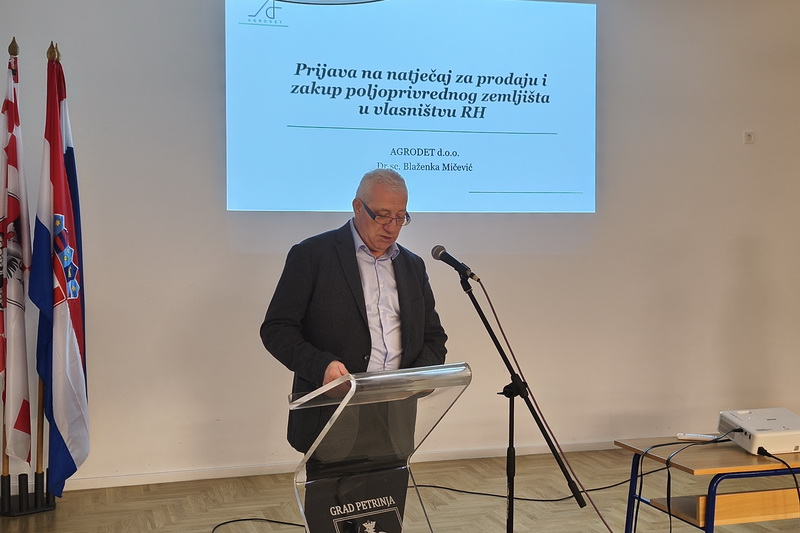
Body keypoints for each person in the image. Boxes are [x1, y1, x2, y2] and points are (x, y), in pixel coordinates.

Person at [260, 168, 448, 454]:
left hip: (396, 416)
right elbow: (277, 329)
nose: (392, 227)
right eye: (383, 215)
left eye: (400, 217)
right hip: (333, 411)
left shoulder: (412, 265)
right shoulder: (312, 255)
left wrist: (415, 379)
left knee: (391, 486)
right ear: (358, 207)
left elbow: (434, 337)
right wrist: (321, 367)